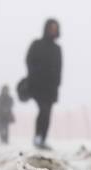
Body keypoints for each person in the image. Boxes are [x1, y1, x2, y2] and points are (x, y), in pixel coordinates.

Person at [25, 19, 62, 149]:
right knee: (43, 110)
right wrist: (33, 76)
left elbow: (59, 69)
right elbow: (29, 60)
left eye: (55, 28)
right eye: (51, 27)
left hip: (51, 88)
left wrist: (57, 84)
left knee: (47, 112)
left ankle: (42, 138)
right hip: (38, 87)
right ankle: (38, 136)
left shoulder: (57, 49)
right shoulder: (37, 44)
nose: (53, 30)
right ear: (46, 28)